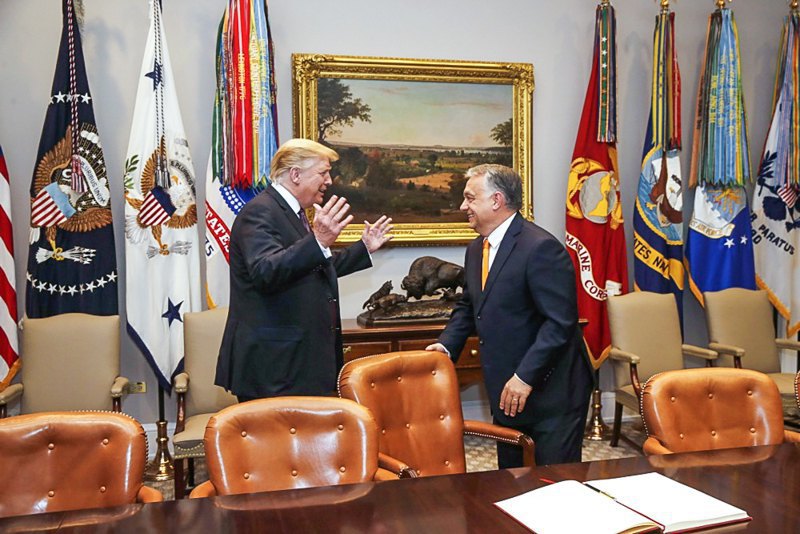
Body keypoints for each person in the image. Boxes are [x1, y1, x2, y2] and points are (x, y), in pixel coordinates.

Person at [427, 164, 592, 467]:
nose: (463, 206)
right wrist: (447, 345)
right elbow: (469, 304)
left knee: (554, 484)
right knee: (511, 480)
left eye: (470, 198)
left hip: (550, 392)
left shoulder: (541, 248)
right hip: (506, 389)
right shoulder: (477, 249)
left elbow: (559, 323)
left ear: (496, 200)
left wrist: (524, 377)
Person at [216, 139, 393, 402]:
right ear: (295, 174)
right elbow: (266, 272)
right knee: (274, 443)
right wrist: (318, 241)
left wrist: (363, 247)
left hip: (296, 362)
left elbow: (314, 268)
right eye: (323, 173)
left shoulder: (292, 212)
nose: (329, 180)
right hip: (274, 367)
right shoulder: (260, 212)